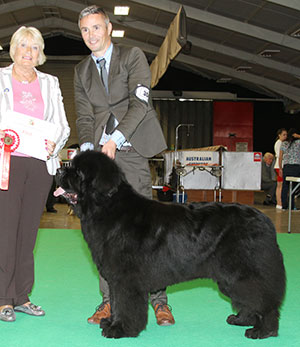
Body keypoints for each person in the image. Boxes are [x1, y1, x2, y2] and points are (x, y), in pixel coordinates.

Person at [74, 5, 175, 326]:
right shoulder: (80, 71)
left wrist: (115, 139)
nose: (91, 35)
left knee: (145, 227)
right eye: (85, 30)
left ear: (108, 27)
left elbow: (140, 102)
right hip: (101, 159)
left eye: (96, 28)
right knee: (105, 231)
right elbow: (85, 116)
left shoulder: (132, 56)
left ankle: (159, 300)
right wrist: (88, 153)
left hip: (130, 148)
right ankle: (109, 301)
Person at [0, 26, 70, 322]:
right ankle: (3, 297)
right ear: (13, 49)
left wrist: (56, 143)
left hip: (41, 165)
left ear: (40, 53)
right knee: (6, 231)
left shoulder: (50, 83)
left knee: (28, 233)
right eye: (23, 46)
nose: (28, 52)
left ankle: (22, 296)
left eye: (34, 47)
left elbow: (63, 125)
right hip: (8, 163)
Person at [279, 128, 300, 210]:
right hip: (296, 166)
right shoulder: (298, 142)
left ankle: (284, 205)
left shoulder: (284, 143)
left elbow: (280, 157)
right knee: (294, 187)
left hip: (287, 166)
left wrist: (280, 168)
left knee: (285, 186)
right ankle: (291, 206)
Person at [274, 128, 287, 209]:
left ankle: (280, 203)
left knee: (280, 185)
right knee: (280, 186)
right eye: (284, 135)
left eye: (286, 135)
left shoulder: (282, 143)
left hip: (280, 166)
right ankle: (279, 203)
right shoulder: (279, 143)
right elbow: (280, 156)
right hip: (279, 166)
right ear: (279, 135)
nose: (285, 136)